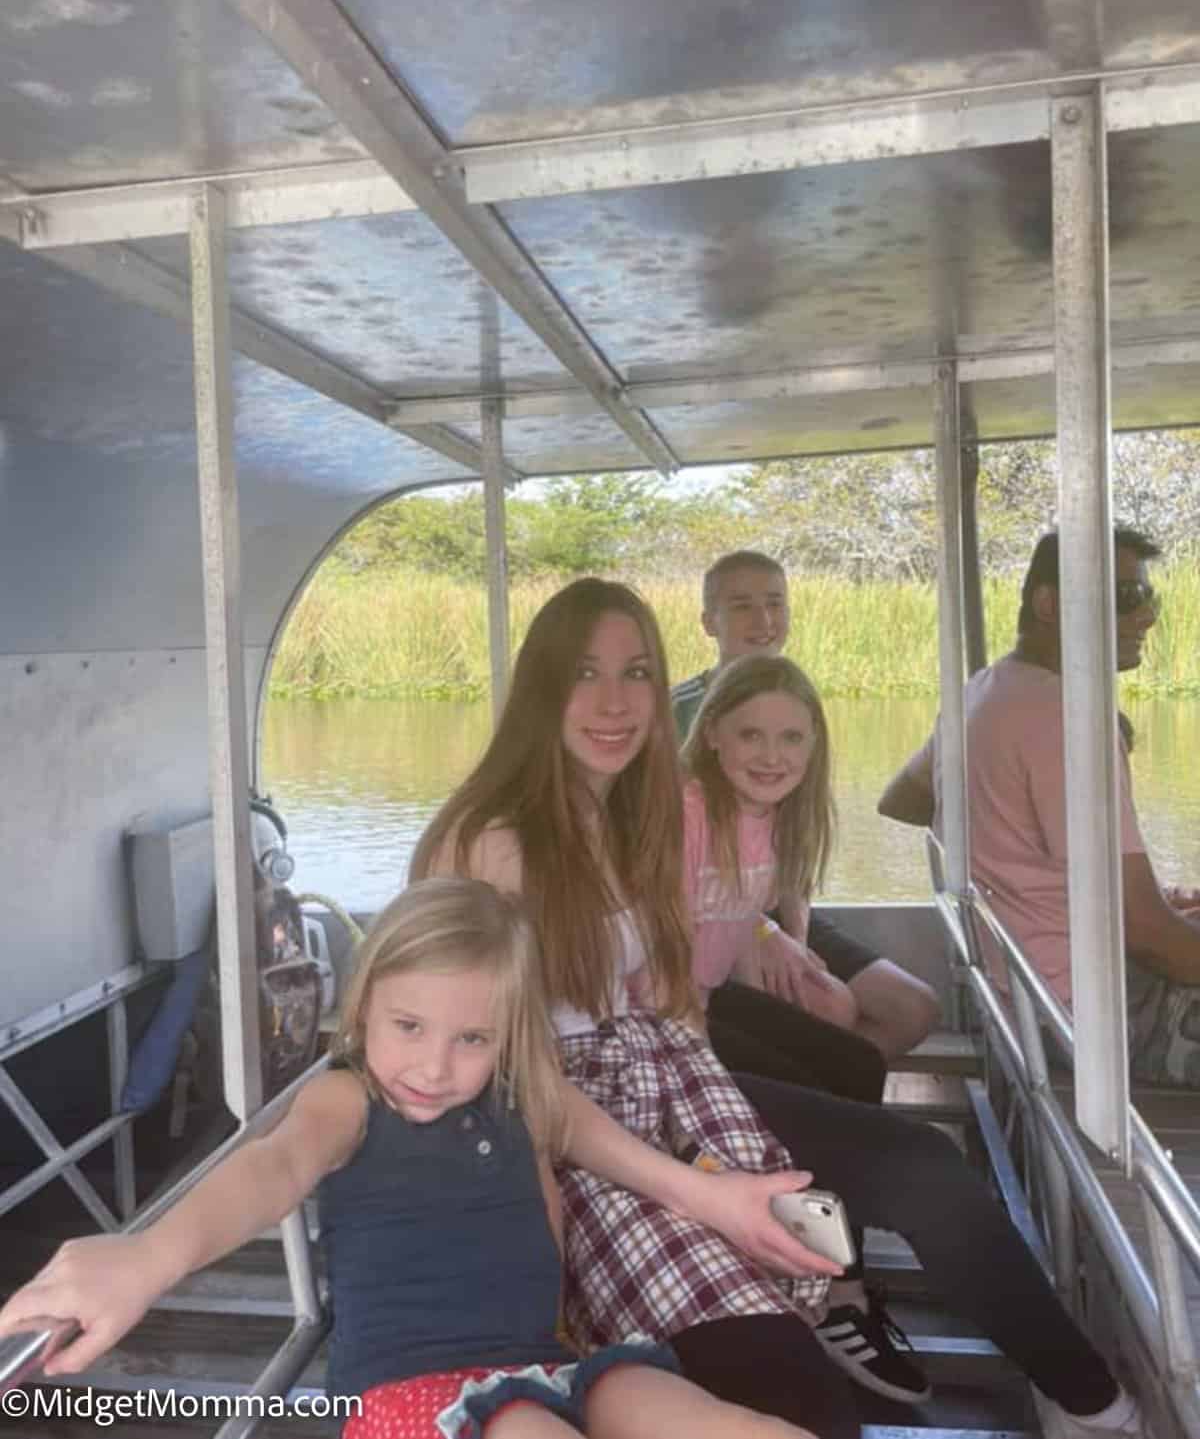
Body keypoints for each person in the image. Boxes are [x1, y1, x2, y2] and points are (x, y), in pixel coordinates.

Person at [415, 577, 1145, 1438]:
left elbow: (667, 997)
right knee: (803, 1404)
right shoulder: (488, 840)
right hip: (565, 1142)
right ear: (543, 687)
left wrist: (724, 1114)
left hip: (668, 1085)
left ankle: (1094, 1402)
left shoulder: (625, 821)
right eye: (585, 673)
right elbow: (497, 1076)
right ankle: (811, 1307)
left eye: (638, 672)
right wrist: (704, 1189)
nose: (615, 701)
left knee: (919, 1166)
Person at [0, 878, 821, 1439]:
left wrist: (718, 1200)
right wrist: (148, 1256)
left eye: (471, 1038)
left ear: (505, 1038)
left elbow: (589, 1136)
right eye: (409, 1026)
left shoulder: (513, 1091)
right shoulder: (349, 1102)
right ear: (363, 1007)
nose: (433, 1067)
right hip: (409, 1398)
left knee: (731, 1425)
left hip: (546, 1365)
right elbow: (271, 1168)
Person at [879, 527, 1200, 1089]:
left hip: (1029, 992)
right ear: (1048, 603)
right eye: (1127, 597)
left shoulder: (982, 692)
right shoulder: (1066, 718)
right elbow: (1148, 933)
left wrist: (1020, 875)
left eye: (1149, 598)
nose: (1146, 617)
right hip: (1095, 1013)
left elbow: (902, 799)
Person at [672, 550, 939, 1063]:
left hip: (773, 898)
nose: (764, 621)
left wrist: (794, 937)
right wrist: (758, 931)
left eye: (775, 603)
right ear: (710, 621)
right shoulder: (674, 713)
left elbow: (794, 843)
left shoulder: (798, 698)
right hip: (714, 910)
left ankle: (834, 1093)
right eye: (743, 606)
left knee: (914, 1010)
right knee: (829, 1012)